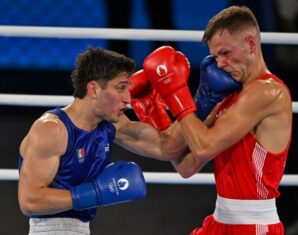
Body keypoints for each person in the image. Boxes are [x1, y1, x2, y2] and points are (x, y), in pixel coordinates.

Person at [142, 5, 292, 235]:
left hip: (253, 225)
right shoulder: (229, 96)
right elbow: (186, 166)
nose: (219, 64)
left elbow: (203, 148)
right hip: (219, 220)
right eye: (215, 56)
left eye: (225, 53)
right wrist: (159, 115)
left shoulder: (267, 91)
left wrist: (175, 94)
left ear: (251, 44)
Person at [17, 46, 184, 234]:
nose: (128, 99)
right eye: (121, 88)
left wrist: (202, 100)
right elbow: (30, 201)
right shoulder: (52, 129)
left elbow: (168, 147)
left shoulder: (112, 124)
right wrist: (94, 194)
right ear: (93, 89)